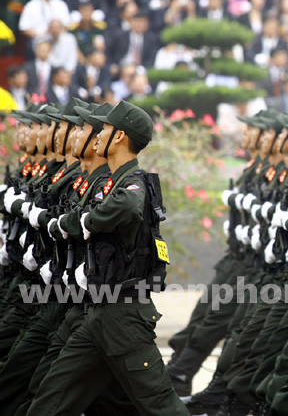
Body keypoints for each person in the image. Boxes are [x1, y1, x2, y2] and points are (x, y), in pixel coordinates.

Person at [26, 101, 190, 415]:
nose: (98, 135)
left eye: (104, 129)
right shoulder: (113, 183)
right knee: (49, 400)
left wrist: (83, 222)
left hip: (124, 315)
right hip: (98, 313)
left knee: (161, 407)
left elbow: (128, 204)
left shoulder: (132, 182)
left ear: (119, 137)